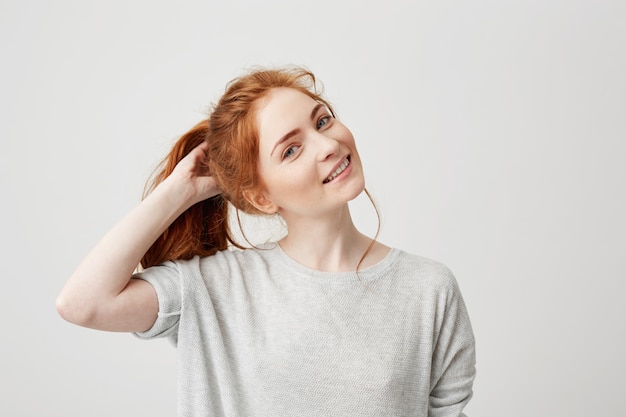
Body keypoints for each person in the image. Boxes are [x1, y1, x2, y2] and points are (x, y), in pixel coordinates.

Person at [56, 66, 476, 416]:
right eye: (291, 150)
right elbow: (82, 303)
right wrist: (179, 190)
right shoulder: (211, 290)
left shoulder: (429, 290)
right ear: (260, 197)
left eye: (322, 120)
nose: (328, 145)